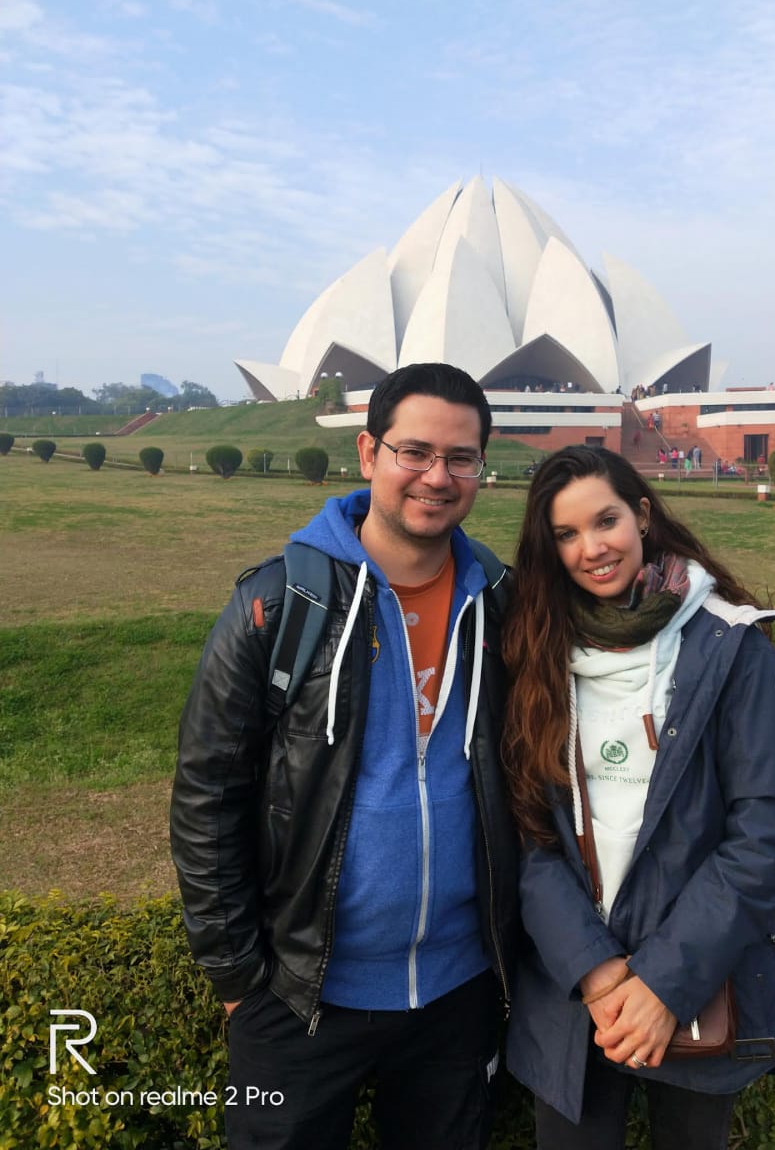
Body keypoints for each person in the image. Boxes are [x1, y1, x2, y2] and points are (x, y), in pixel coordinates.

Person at [170, 362, 518, 1150]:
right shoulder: (279, 603)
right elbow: (207, 792)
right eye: (414, 452)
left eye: (461, 458)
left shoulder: (500, 602)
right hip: (301, 994)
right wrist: (237, 979)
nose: (437, 476)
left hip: (456, 994)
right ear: (368, 453)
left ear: (481, 469)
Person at [500, 446, 775, 1150]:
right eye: (566, 535)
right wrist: (599, 972)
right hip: (577, 996)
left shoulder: (731, 645)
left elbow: (767, 829)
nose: (592, 548)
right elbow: (528, 829)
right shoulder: (538, 651)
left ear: (641, 514)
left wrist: (663, 982)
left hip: (698, 983)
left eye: (605, 520)